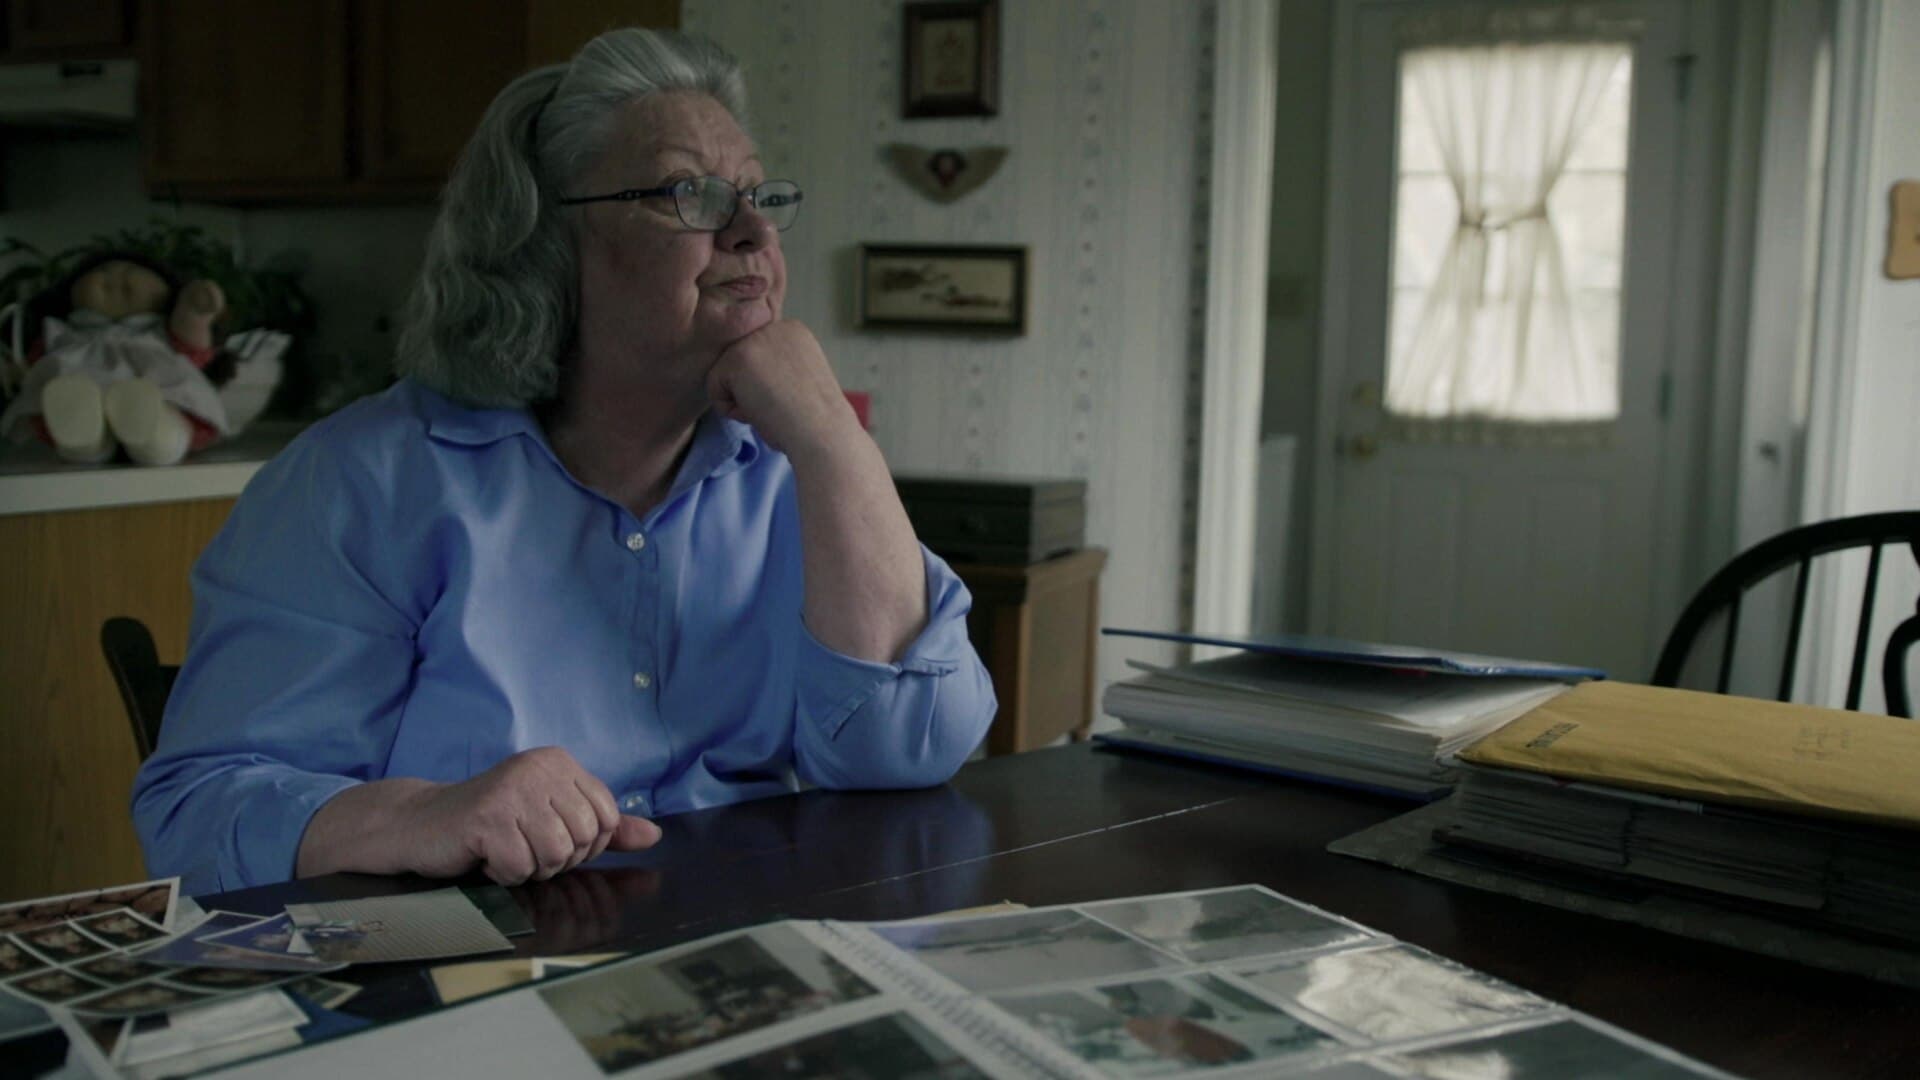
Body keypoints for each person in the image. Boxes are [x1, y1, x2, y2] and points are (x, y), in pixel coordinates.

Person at [131, 28, 997, 897]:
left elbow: (909, 751)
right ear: (541, 242)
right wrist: (423, 815)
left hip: (739, 940)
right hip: (472, 958)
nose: (753, 230)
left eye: (757, 195)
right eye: (689, 194)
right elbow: (194, 816)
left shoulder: (791, 473)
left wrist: (834, 442)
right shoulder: (362, 482)